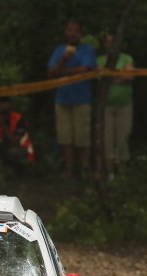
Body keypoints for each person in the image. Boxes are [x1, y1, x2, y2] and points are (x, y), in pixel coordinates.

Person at [47, 20, 97, 180]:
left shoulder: (88, 50)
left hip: (82, 98)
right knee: (65, 137)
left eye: (75, 30)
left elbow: (85, 70)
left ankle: (85, 169)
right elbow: (51, 73)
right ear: (65, 32)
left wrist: (62, 71)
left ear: (80, 33)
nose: (72, 33)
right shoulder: (59, 51)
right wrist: (63, 59)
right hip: (62, 99)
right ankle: (69, 169)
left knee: (83, 137)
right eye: (69, 30)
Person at [97, 32, 134, 178]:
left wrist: (111, 77)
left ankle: (122, 170)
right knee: (107, 138)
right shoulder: (100, 60)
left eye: (113, 41)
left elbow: (129, 76)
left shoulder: (127, 58)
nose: (111, 44)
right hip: (106, 105)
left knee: (123, 137)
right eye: (108, 41)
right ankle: (110, 170)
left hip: (124, 104)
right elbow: (101, 78)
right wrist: (120, 75)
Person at [0, 97, 35, 176]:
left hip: (18, 147)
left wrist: (3, 125)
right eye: (1, 112)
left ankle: (19, 172)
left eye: (5, 112)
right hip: (0, 145)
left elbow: (15, 141)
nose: (3, 115)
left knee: (13, 153)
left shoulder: (18, 118)